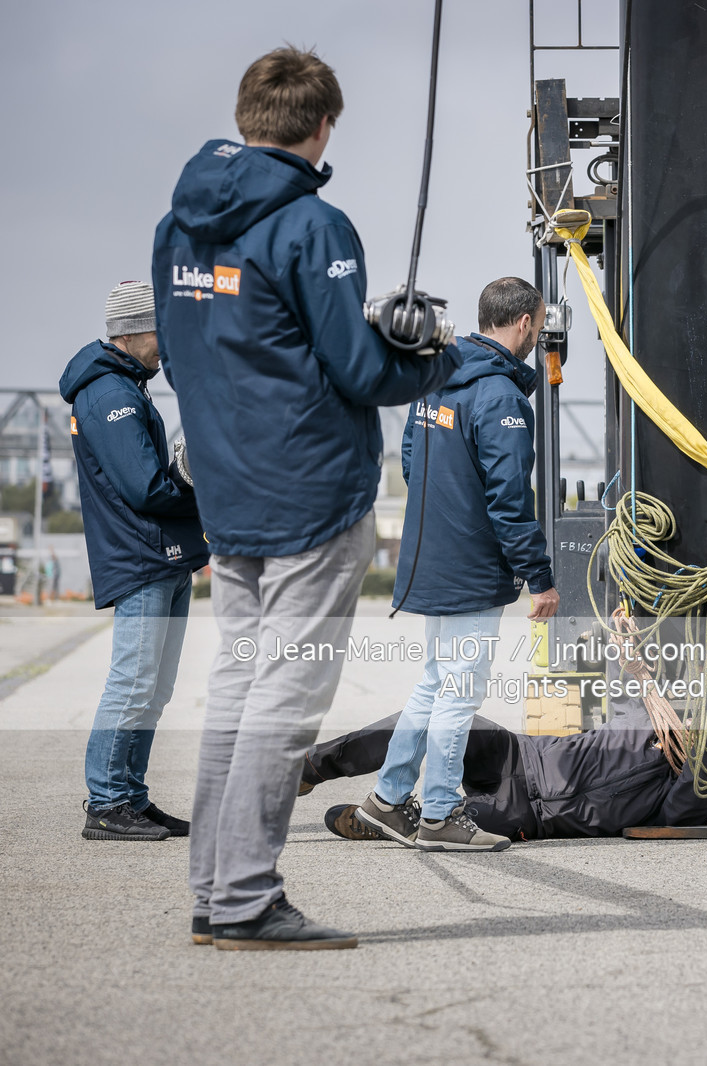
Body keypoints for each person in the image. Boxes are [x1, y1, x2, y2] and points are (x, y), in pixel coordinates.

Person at [154, 48, 457, 951]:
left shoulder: (177, 227)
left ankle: (215, 893)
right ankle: (247, 900)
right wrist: (431, 354)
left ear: (248, 115)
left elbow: (190, 349)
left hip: (230, 494)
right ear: (322, 127)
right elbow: (363, 371)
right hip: (311, 499)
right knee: (283, 703)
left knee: (239, 693)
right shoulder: (313, 225)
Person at [353, 279, 561, 852]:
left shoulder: (433, 381)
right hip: (471, 569)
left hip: (431, 560)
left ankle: (388, 801)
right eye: (538, 326)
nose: (539, 336)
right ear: (522, 324)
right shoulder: (500, 397)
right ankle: (441, 814)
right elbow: (510, 497)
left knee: (433, 682)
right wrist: (538, 577)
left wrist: (444, 523)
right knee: (461, 690)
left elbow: (414, 463)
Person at [60, 281, 208, 842]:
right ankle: (105, 802)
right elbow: (144, 488)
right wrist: (195, 479)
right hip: (141, 555)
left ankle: (131, 797)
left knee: (155, 686)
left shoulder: (127, 385)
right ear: (136, 329)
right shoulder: (107, 393)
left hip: (162, 556)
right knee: (133, 681)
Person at [301, 702, 707, 844]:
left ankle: (386, 821)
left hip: (525, 815)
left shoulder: (684, 796)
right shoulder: (656, 709)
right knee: (434, 715)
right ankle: (314, 765)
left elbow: (695, 792)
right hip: (517, 754)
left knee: (439, 826)